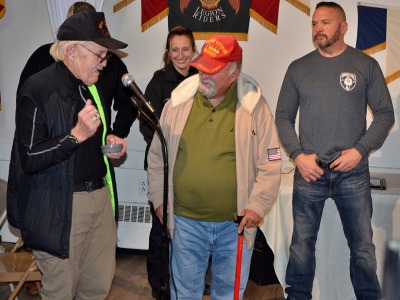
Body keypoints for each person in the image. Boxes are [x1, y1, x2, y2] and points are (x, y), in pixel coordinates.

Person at [275, 2, 395, 300]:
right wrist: (297, 156)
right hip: (309, 172)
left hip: (353, 174)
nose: (318, 29)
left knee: (363, 249)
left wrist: (360, 150)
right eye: (314, 23)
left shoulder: (365, 65)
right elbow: (282, 117)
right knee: (301, 247)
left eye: (325, 23)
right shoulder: (298, 68)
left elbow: (385, 114)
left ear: (343, 28)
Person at [147, 35, 282, 300]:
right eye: (202, 66)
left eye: (213, 69)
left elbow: (271, 161)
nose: (203, 74)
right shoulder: (177, 103)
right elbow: (156, 157)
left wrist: (258, 204)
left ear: (234, 72)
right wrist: (158, 200)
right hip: (185, 222)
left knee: (228, 294)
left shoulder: (256, 107)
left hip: (235, 226)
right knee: (184, 294)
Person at [7, 11, 128, 299]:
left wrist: (106, 143)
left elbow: (84, 145)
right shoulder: (37, 89)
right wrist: (75, 136)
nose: (105, 62)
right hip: (60, 208)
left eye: (106, 55)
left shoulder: (89, 87)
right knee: (61, 291)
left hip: (99, 200)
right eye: (100, 54)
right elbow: (30, 158)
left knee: (96, 288)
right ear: (72, 50)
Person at [139, 25, 198, 300]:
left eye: (185, 49)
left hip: (194, 170)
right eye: (175, 49)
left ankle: (189, 281)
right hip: (163, 168)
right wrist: (170, 151)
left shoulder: (204, 80)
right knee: (161, 230)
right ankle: (160, 285)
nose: (180, 55)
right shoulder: (157, 82)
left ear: (194, 51)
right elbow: (147, 125)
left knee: (191, 230)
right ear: (168, 52)